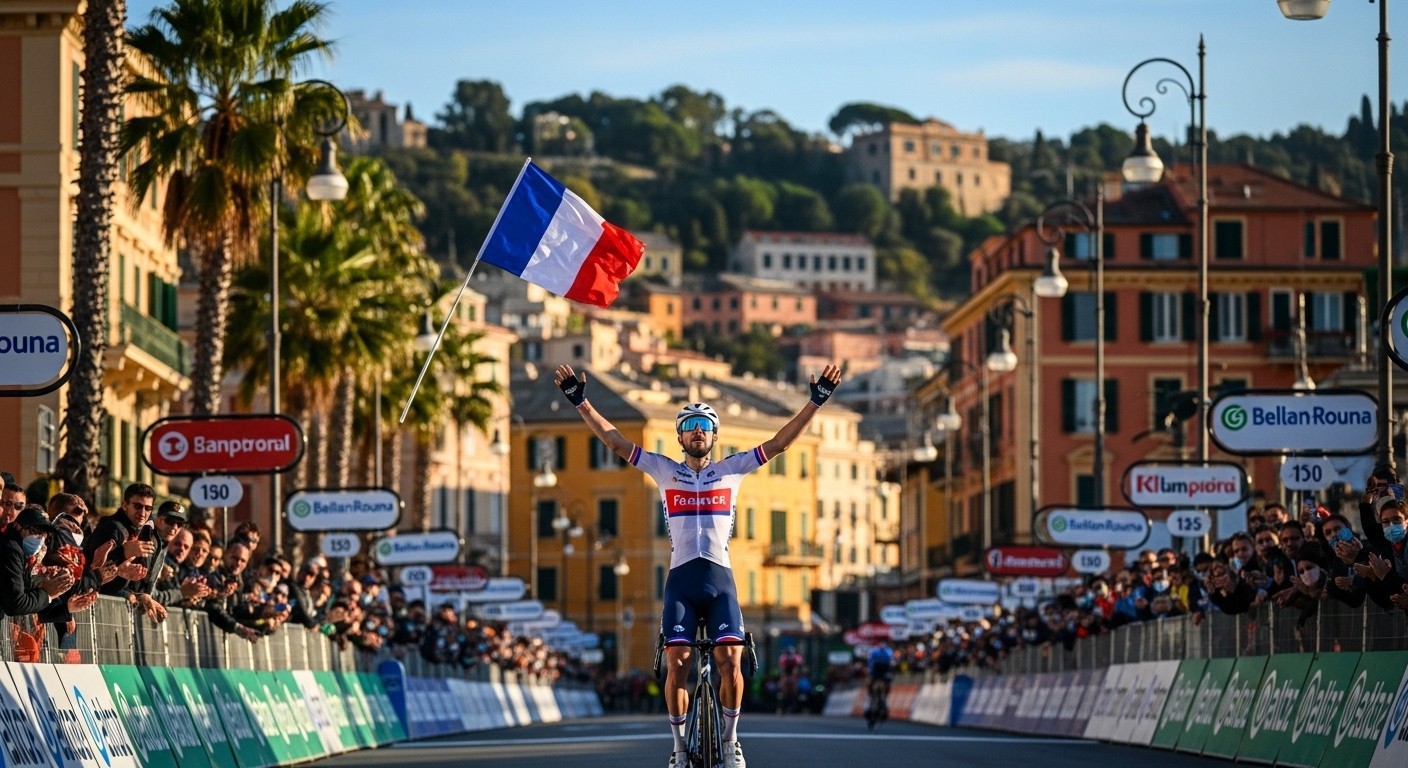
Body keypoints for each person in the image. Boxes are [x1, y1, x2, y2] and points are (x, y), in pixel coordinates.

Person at [554, 362, 842, 768]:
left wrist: (816, 403)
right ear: (679, 436)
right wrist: (581, 403)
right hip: (681, 582)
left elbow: (778, 444)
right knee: (678, 664)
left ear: (715, 435)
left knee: (730, 661)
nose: (697, 430)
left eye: (704, 425)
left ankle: (729, 741)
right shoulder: (664, 470)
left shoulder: (732, 470)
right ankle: (676, 746)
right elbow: (618, 443)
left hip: (719, 580)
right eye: (689, 424)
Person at [865, 642, 895, 722]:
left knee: (874, 685)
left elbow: (869, 667)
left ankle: (875, 698)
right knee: (876, 685)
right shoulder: (887, 652)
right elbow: (891, 665)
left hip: (879, 672)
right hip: (879, 672)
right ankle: (876, 698)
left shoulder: (875, 653)